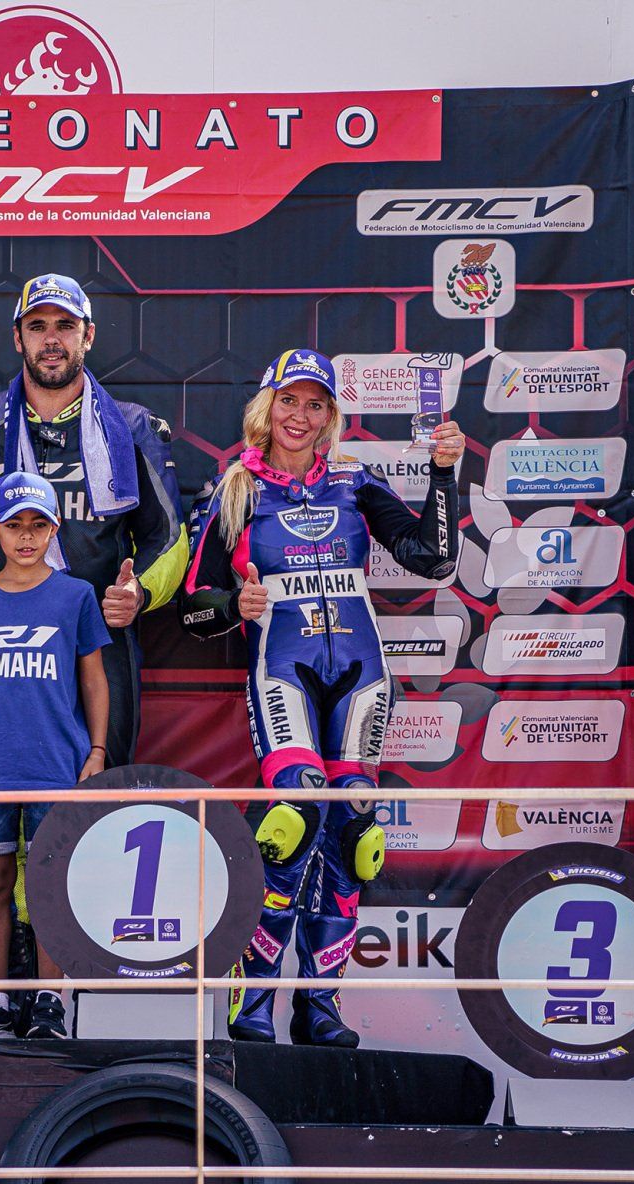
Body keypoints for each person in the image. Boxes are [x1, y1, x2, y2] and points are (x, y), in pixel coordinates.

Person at [180, 349, 463, 1047]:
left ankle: (320, 1006)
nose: (300, 416)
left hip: (362, 676)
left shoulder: (354, 482)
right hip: (284, 671)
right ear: (266, 406)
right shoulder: (236, 488)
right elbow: (192, 606)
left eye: (315, 405)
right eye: (289, 401)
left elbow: (433, 558)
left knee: (356, 832)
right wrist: (234, 606)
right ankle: (252, 1001)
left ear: (330, 416)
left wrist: (444, 473)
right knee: (293, 818)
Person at [0, 273, 184, 769]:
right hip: (1, 647)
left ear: (88, 335)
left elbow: (169, 538)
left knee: (97, 794)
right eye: (37, 326)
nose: (51, 339)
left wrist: (140, 592)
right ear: (17, 338)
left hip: (97, 641)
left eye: (66, 325)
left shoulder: (131, 427)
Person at [0, 471, 109, 1040]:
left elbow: (94, 679)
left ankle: (49, 1002)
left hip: (57, 765)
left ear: (55, 529)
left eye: (39, 525)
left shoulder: (75, 596)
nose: (27, 537)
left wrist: (98, 750)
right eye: (15, 526)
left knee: (49, 887)